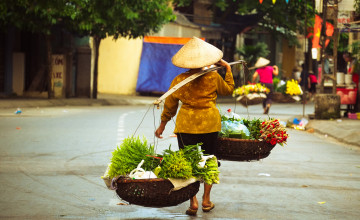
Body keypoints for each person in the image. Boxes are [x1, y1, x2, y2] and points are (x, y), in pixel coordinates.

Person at [154, 36, 234, 216]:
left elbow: (170, 107)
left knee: (189, 164)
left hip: (186, 126)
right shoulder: (213, 77)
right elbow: (228, 90)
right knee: (208, 161)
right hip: (209, 124)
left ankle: (194, 202)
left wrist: (162, 126)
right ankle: (206, 200)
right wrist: (227, 69)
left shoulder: (179, 81)